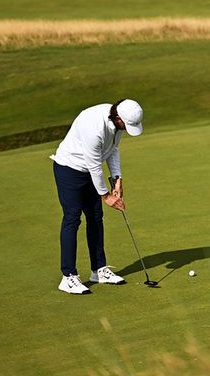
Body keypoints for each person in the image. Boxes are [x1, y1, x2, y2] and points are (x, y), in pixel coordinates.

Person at [50, 99, 145, 294]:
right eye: (126, 126)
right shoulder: (93, 127)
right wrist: (106, 196)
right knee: (72, 218)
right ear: (118, 118)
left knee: (95, 217)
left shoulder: (116, 122)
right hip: (70, 169)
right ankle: (68, 277)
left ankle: (99, 270)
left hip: (88, 170)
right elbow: (94, 166)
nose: (127, 129)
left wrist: (117, 179)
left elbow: (113, 150)